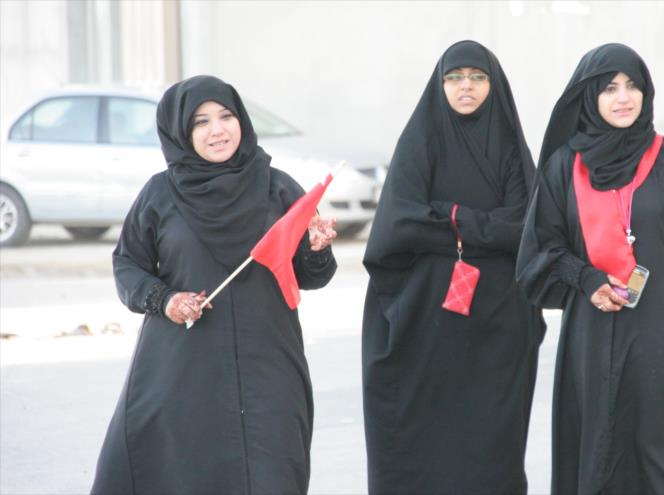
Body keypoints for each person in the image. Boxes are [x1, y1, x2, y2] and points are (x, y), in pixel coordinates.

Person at [91, 75, 337, 494]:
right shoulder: (160, 194)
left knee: (271, 474)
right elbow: (127, 265)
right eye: (200, 122)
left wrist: (316, 248)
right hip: (182, 369)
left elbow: (311, 275)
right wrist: (165, 300)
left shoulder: (277, 187)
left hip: (268, 366)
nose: (217, 130)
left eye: (226, 116)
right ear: (181, 133)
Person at [516, 43, 664, 494]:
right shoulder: (564, 167)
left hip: (663, 331)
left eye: (633, 85)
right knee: (597, 451)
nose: (623, 97)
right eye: (610, 87)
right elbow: (542, 247)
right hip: (592, 335)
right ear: (589, 97)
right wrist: (586, 278)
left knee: (662, 455)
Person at [362, 40, 545, 494]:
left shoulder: (508, 145)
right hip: (425, 317)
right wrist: (485, 226)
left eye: (478, 77)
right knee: (421, 437)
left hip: (499, 322)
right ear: (440, 84)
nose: (467, 87)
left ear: (493, 83)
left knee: (491, 442)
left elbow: (526, 226)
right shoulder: (420, 141)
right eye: (455, 77)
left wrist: (451, 216)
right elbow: (399, 224)